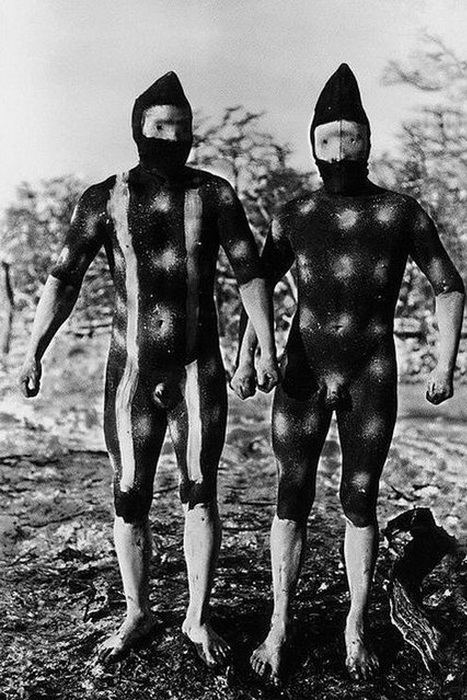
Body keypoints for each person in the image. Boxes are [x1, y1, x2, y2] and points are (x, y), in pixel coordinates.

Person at [19, 71, 279, 667]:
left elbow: (250, 275)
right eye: (160, 127)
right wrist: (35, 349)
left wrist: (264, 347)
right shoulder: (104, 198)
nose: (171, 138)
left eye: (181, 128)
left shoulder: (214, 194)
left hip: (196, 368)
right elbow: (63, 278)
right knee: (129, 493)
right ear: (138, 130)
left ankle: (196, 616)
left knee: (200, 490)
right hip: (131, 372)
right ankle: (137, 611)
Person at [232, 63, 465, 684]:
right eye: (328, 140)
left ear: (368, 141)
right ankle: (280, 622)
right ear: (313, 145)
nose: (339, 152)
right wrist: (249, 355)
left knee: (360, 498)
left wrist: (444, 362)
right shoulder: (293, 214)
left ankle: (354, 625)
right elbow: (258, 287)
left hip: (370, 371)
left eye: (351, 138)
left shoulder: (399, 213)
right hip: (303, 371)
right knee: (292, 494)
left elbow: (448, 286)